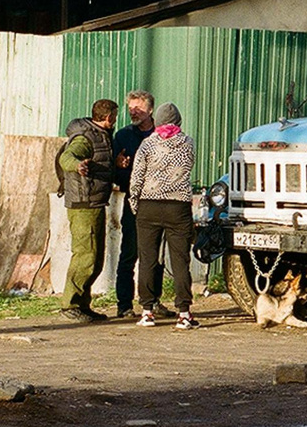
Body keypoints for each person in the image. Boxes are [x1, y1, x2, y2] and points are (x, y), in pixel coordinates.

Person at [129, 101, 200, 328]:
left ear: (157, 121)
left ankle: (147, 311)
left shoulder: (147, 144)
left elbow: (137, 175)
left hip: (149, 205)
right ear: (178, 121)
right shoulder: (188, 143)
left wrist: (134, 202)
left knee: (148, 259)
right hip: (177, 207)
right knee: (180, 260)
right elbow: (188, 167)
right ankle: (184, 313)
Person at [57, 100, 119, 320]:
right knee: (85, 256)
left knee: (95, 257)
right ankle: (70, 305)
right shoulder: (85, 137)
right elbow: (67, 157)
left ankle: (83, 305)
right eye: (115, 116)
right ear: (109, 117)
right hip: (83, 204)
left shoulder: (101, 135)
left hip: (96, 202)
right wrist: (77, 165)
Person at [107, 89, 154, 317]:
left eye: (139, 108)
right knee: (129, 253)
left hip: (158, 201)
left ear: (150, 110)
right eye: (131, 109)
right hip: (133, 202)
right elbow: (113, 173)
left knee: (154, 255)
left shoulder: (161, 134)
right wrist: (118, 165)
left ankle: (151, 302)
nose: (134, 112)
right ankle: (124, 304)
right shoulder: (123, 136)